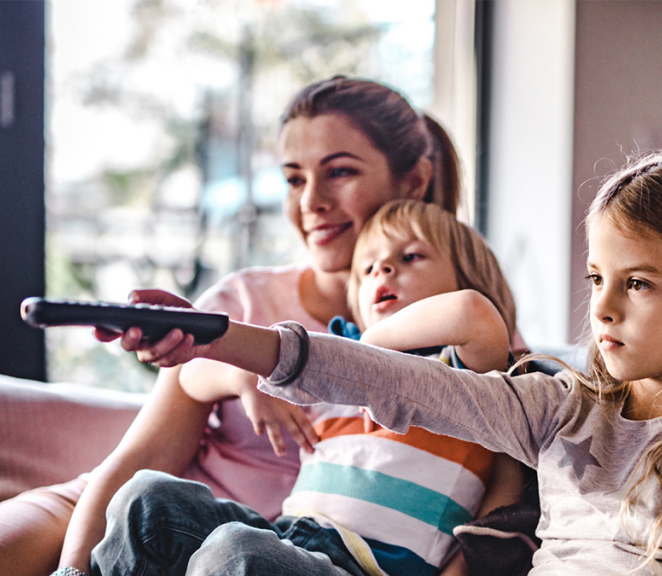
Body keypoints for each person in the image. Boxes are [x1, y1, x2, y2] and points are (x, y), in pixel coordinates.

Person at [102, 150, 662, 575]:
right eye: (597, 279)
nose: (602, 309)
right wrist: (211, 335)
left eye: (639, 283)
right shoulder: (558, 406)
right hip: (298, 534)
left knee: (232, 556)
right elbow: (384, 382)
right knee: (150, 504)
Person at [0, 76, 471, 576]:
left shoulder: (463, 333)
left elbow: (504, 491)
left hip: (279, 553)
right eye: (293, 179)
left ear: (415, 180)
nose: (312, 202)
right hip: (136, 522)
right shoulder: (246, 298)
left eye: (339, 172)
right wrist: (234, 371)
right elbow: (134, 467)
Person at [88, 199, 525, 576]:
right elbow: (189, 376)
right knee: (147, 499)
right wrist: (243, 378)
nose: (383, 269)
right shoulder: (334, 373)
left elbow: (474, 314)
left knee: (235, 553)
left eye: (410, 257)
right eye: (368, 267)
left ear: (467, 276)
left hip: (364, 567)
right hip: (286, 538)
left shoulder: (469, 381)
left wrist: (365, 351)